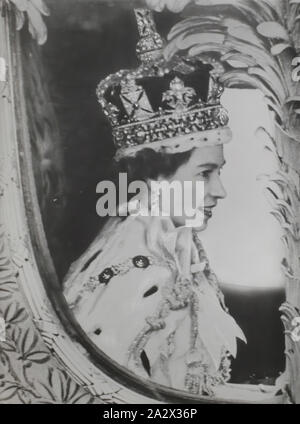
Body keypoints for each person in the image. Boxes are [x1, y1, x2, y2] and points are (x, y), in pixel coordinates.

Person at [63, 9, 279, 400]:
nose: (220, 191)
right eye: (205, 173)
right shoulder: (144, 276)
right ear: (154, 178)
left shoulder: (171, 250)